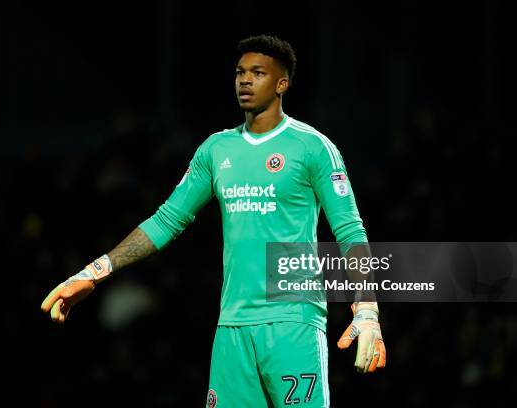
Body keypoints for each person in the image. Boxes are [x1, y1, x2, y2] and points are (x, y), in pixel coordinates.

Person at [41, 34, 386, 407]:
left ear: (282, 83)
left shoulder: (312, 147)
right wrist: (93, 271)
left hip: (292, 320)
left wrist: (366, 308)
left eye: (258, 72)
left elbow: (350, 230)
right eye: (240, 72)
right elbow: (166, 220)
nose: (245, 80)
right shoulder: (217, 149)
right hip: (232, 326)